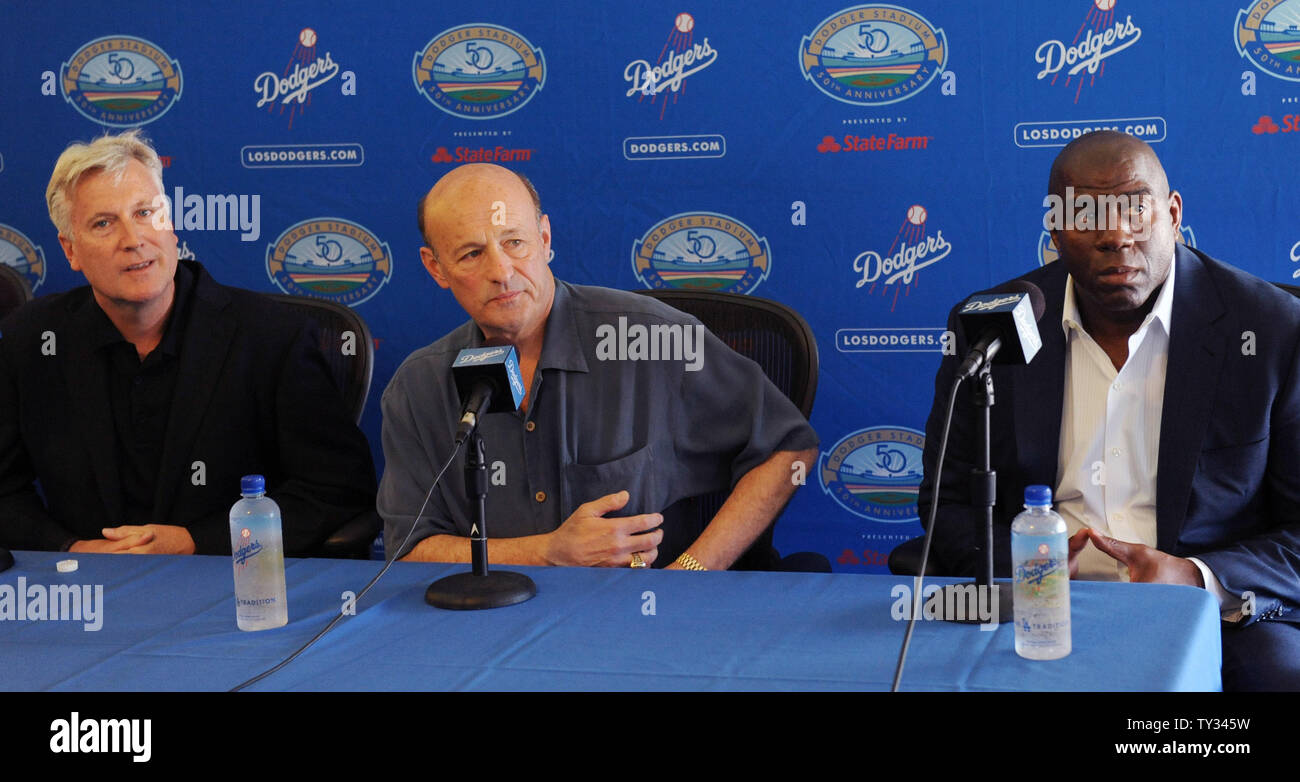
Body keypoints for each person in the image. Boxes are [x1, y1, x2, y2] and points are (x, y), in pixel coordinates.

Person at [918, 130, 1300, 690]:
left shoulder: (1271, 330)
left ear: (1172, 214)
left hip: (1211, 613)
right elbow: (945, 505)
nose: (1115, 235)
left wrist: (1195, 578)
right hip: (1034, 604)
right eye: (1085, 214)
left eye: (1135, 209)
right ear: (1053, 228)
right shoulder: (992, 329)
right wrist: (1028, 567)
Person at [378, 163, 819, 570]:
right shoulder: (419, 386)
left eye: (515, 242)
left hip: (647, 620)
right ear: (436, 268)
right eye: (472, 254)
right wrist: (546, 552)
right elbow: (410, 548)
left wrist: (692, 571)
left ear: (545, 240)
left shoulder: (651, 339)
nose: (502, 271)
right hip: (487, 626)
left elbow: (789, 448)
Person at [0, 130, 377, 556]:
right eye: (104, 223)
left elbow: (339, 491)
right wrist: (71, 547)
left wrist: (196, 541)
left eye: (145, 212)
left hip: (232, 586)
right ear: (70, 250)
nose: (133, 239)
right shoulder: (32, 340)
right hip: (87, 593)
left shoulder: (274, 337)